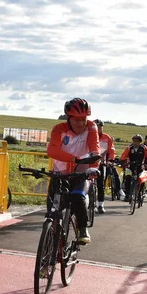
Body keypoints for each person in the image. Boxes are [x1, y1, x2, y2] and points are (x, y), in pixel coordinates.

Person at [47, 98, 100, 243]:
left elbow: (95, 149)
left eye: (83, 119)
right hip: (60, 174)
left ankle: (82, 229)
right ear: (68, 118)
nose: (81, 123)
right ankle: (50, 248)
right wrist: (74, 159)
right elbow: (52, 150)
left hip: (81, 173)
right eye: (76, 119)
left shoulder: (91, 127)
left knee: (78, 197)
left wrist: (94, 167)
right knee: (52, 214)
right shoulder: (59, 129)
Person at [120, 134, 147, 206]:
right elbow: (123, 156)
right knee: (127, 177)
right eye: (134, 141)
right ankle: (127, 194)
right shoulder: (129, 148)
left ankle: (140, 192)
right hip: (130, 166)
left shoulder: (144, 147)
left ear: (140, 142)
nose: (135, 142)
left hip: (140, 167)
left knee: (142, 180)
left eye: (137, 141)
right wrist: (122, 161)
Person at [95, 120, 118, 211]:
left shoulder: (107, 138)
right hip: (89, 163)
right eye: (97, 127)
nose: (99, 128)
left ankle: (100, 204)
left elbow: (112, 151)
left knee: (101, 185)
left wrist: (110, 160)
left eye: (100, 127)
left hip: (102, 163)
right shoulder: (89, 136)